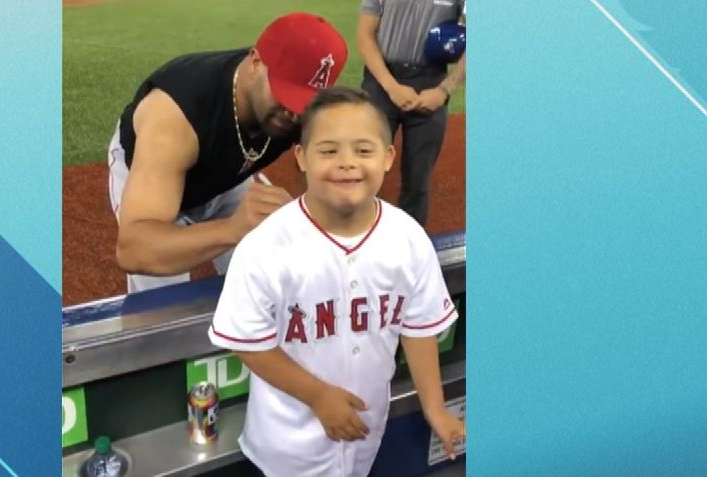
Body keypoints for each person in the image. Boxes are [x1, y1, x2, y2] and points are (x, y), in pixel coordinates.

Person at [208, 86, 465, 476]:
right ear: (301, 158)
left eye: (363, 150)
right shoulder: (265, 245)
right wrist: (318, 396)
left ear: (388, 157)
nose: (347, 163)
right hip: (287, 443)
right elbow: (247, 342)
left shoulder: (408, 238)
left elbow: (417, 328)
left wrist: (435, 409)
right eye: (328, 150)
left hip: (365, 433)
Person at [109, 13, 348, 293]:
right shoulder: (176, 114)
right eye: (286, 95)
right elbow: (135, 249)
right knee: (161, 299)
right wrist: (232, 229)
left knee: (272, 278)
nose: (295, 112)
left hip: (227, 179)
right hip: (156, 177)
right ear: (255, 62)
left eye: (306, 101)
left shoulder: (300, 113)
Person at [357, 0, 466, 227]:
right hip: (381, 79)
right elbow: (365, 35)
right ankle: (353, 239)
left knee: (418, 179)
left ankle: (412, 246)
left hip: (431, 83)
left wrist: (444, 90)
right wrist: (391, 86)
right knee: (361, 168)